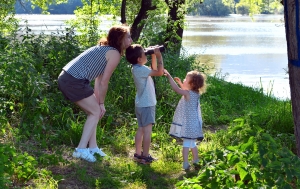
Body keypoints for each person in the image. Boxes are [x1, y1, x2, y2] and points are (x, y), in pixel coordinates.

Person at [57, 26, 132, 162]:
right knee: (95, 112)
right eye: (128, 37)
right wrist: (101, 104)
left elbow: (98, 80)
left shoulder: (105, 49)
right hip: (73, 80)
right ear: (120, 39)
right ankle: (80, 150)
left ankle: (93, 148)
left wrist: (98, 102)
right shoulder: (114, 54)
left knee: (94, 112)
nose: (131, 40)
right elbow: (104, 82)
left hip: (68, 77)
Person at [125, 44, 164, 164]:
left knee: (141, 129)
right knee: (147, 131)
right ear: (139, 59)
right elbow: (159, 72)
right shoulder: (141, 69)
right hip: (147, 104)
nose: (145, 53)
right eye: (144, 53)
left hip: (140, 104)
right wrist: (159, 56)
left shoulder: (137, 68)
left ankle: (138, 154)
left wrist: (152, 54)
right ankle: (145, 156)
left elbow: (152, 68)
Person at [164, 69, 207, 170]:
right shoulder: (195, 94)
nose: (183, 79)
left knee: (186, 144)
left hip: (188, 125)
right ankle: (196, 161)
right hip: (194, 124)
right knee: (193, 144)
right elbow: (184, 90)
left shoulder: (187, 93)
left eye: (185, 79)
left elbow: (177, 90)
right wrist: (180, 83)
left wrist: (169, 76)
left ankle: (185, 163)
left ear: (191, 84)